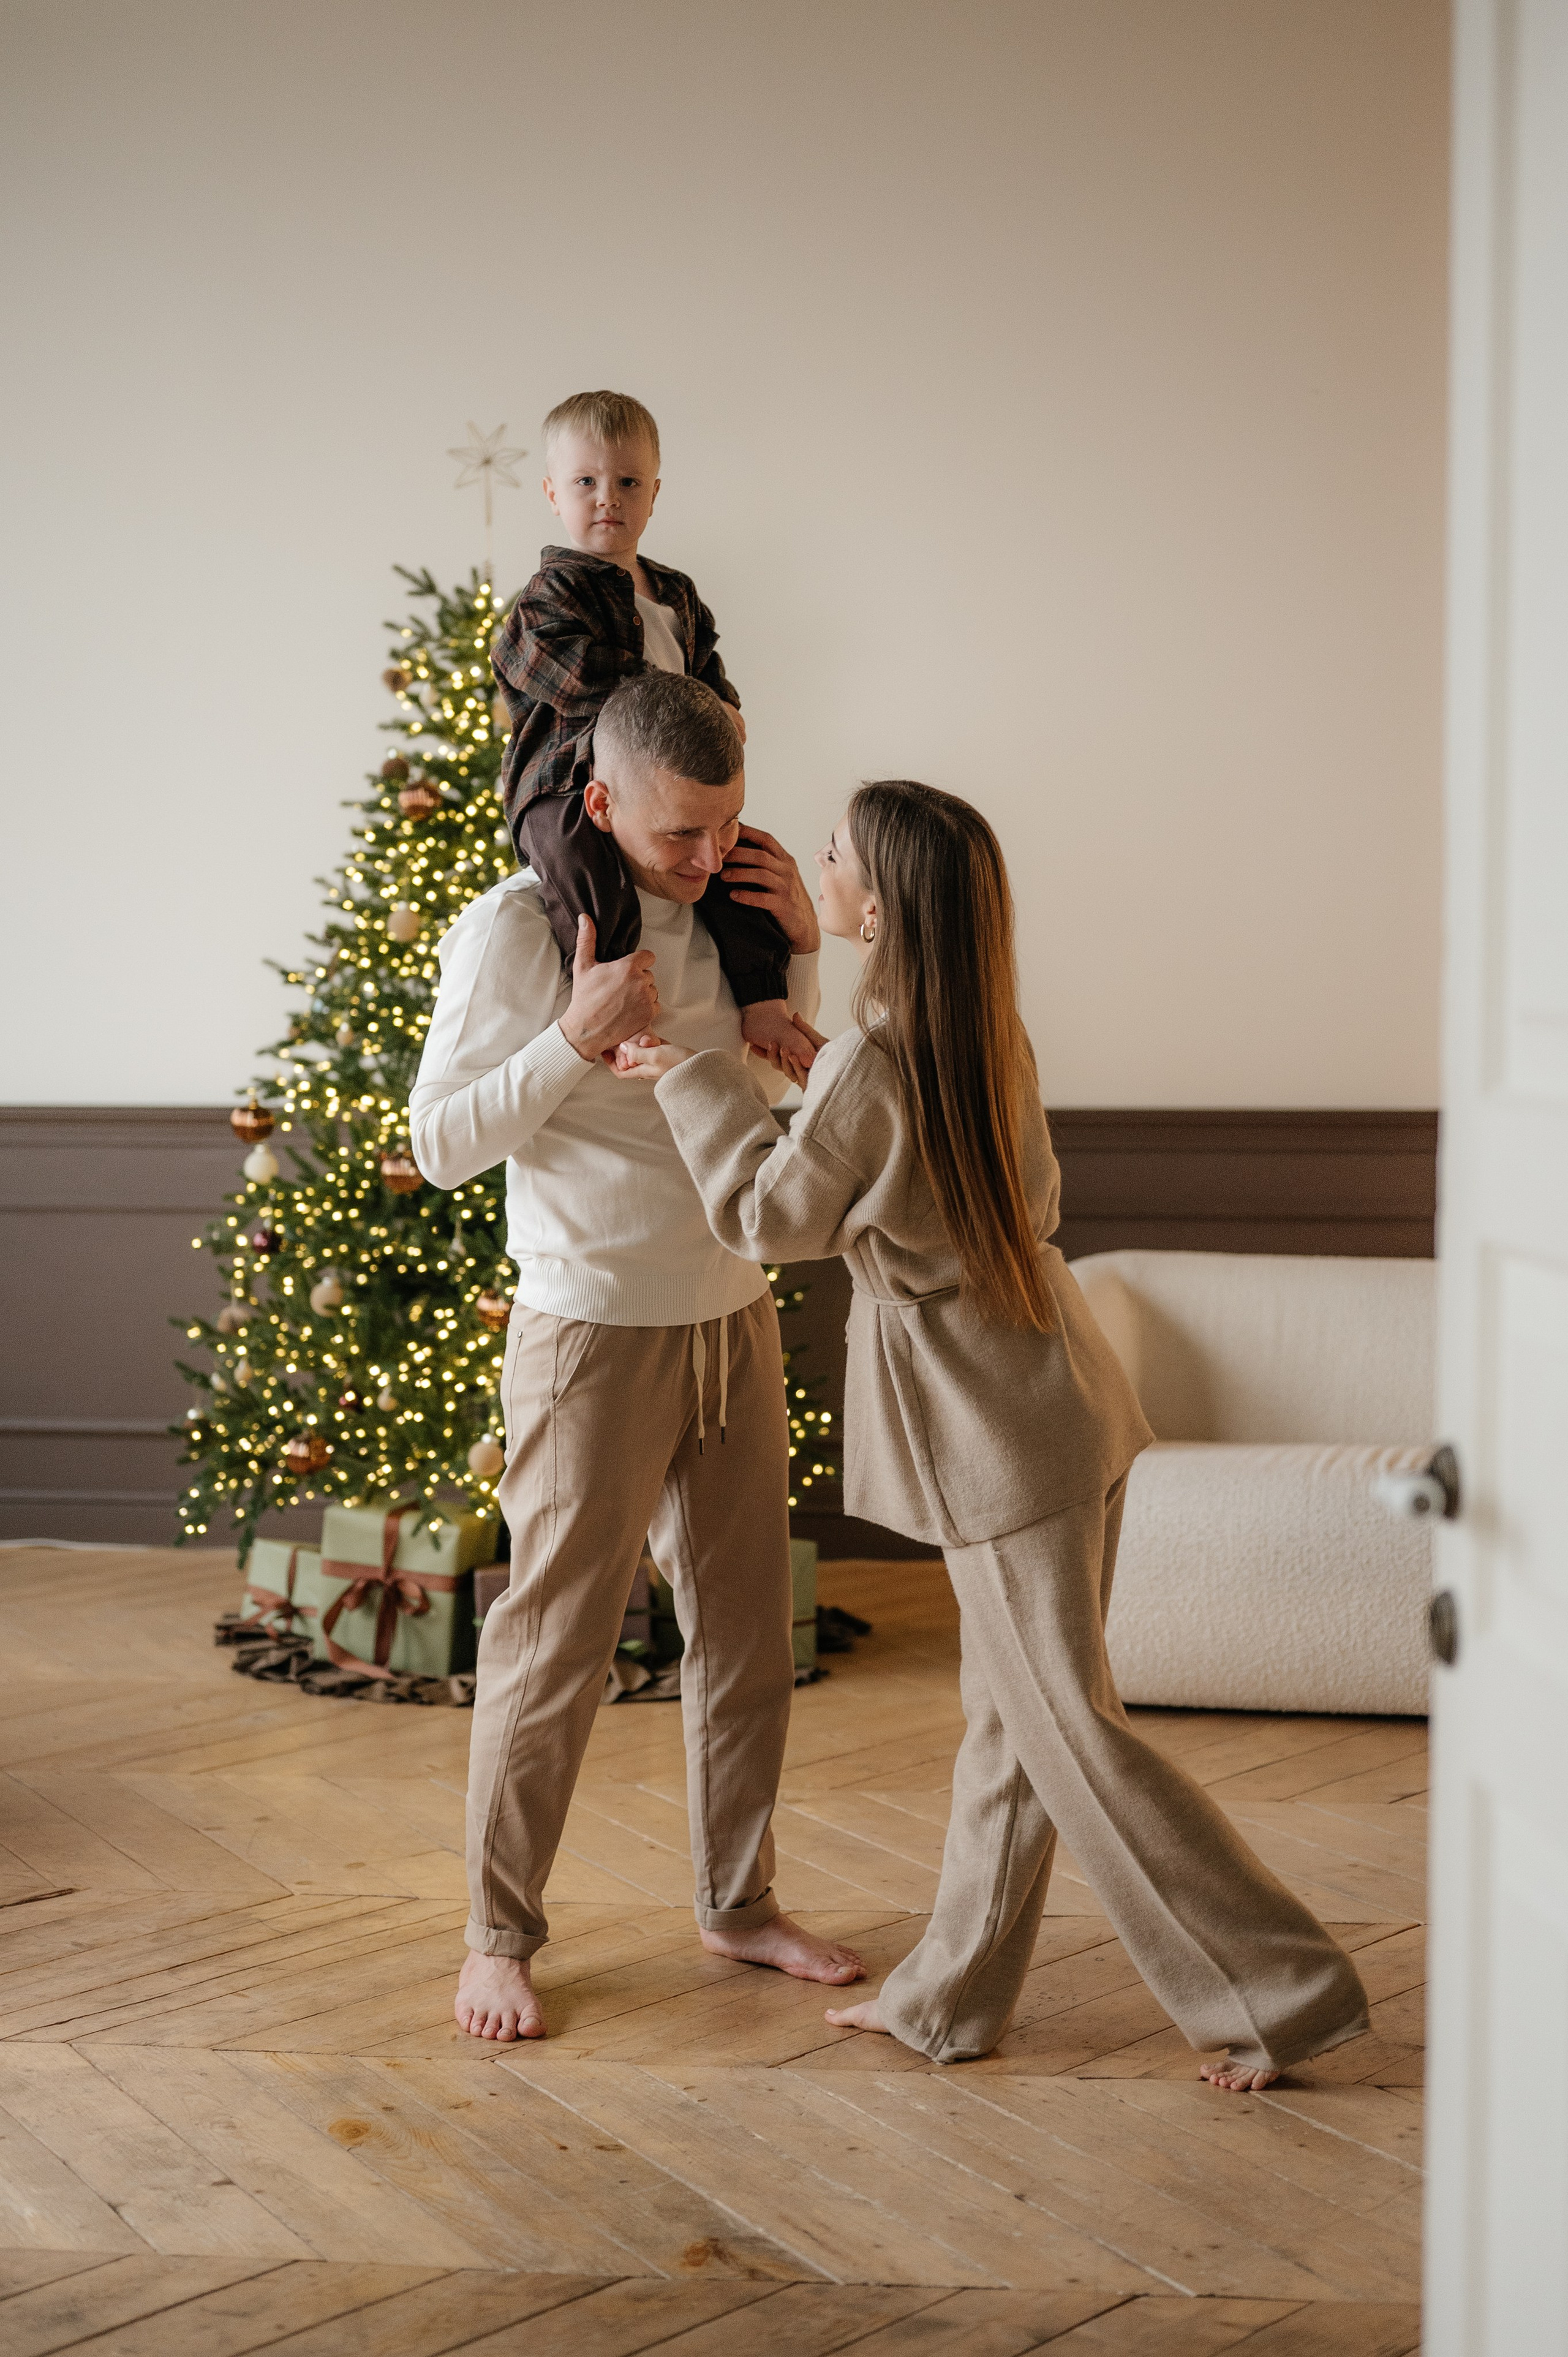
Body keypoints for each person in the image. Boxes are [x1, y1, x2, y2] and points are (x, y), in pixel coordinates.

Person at [612, 780, 1371, 2089]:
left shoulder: (873, 1056)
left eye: (835, 852)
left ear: (878, 900)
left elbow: (768, 1220)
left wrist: (690, 1083)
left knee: (1066, 1727)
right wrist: (823, 1121)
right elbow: (943, 1185)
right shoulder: (975, 1031)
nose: (819, 865)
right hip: (1056, 1399)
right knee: (1010, 1726)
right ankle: (951, 1996)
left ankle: (1278, 1989)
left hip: (991, 1430)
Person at [409, 671, 865, 2042]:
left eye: (724, 824)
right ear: (598, 802)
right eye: (677, 834)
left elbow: (764, 1092)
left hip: (729, 1313)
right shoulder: (514, 928)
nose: (705, 855)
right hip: (588, 1330)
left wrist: (802, 971)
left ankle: (737, 1903)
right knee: (550, 1643)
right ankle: (498, 1936)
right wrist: (564, 1037)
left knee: (745, 1641)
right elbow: (438, 1144)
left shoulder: (740, 912)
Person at [493, 387, 821, 1085]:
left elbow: (709, 673)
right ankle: (612, 997)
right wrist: (686, 700)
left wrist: (722, 705)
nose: (607, 497)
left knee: (735, 862)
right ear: (554, 492)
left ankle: (764, 1003)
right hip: (568, 785)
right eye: (586, 481)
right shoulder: (549, 597)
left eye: (628, 482)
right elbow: (578, 680)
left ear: (653, 494)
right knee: (584, 872)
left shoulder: (673, 592)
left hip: (671, 788)